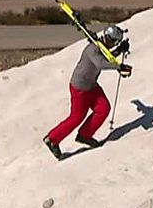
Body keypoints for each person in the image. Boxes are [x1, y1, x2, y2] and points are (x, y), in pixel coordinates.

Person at [43, 24, 133, 159]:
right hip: (79, 87)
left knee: (103, 108)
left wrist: (119, 50)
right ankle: (52, 139)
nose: (114, 44)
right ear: (108, 38)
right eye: (114, 42)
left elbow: (106, 57)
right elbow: (100, 63)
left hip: (91, 86)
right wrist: (118, 66)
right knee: (76, 117)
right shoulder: (92, 48)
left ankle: (85, 135)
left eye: (116, 43)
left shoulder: (102, 48)